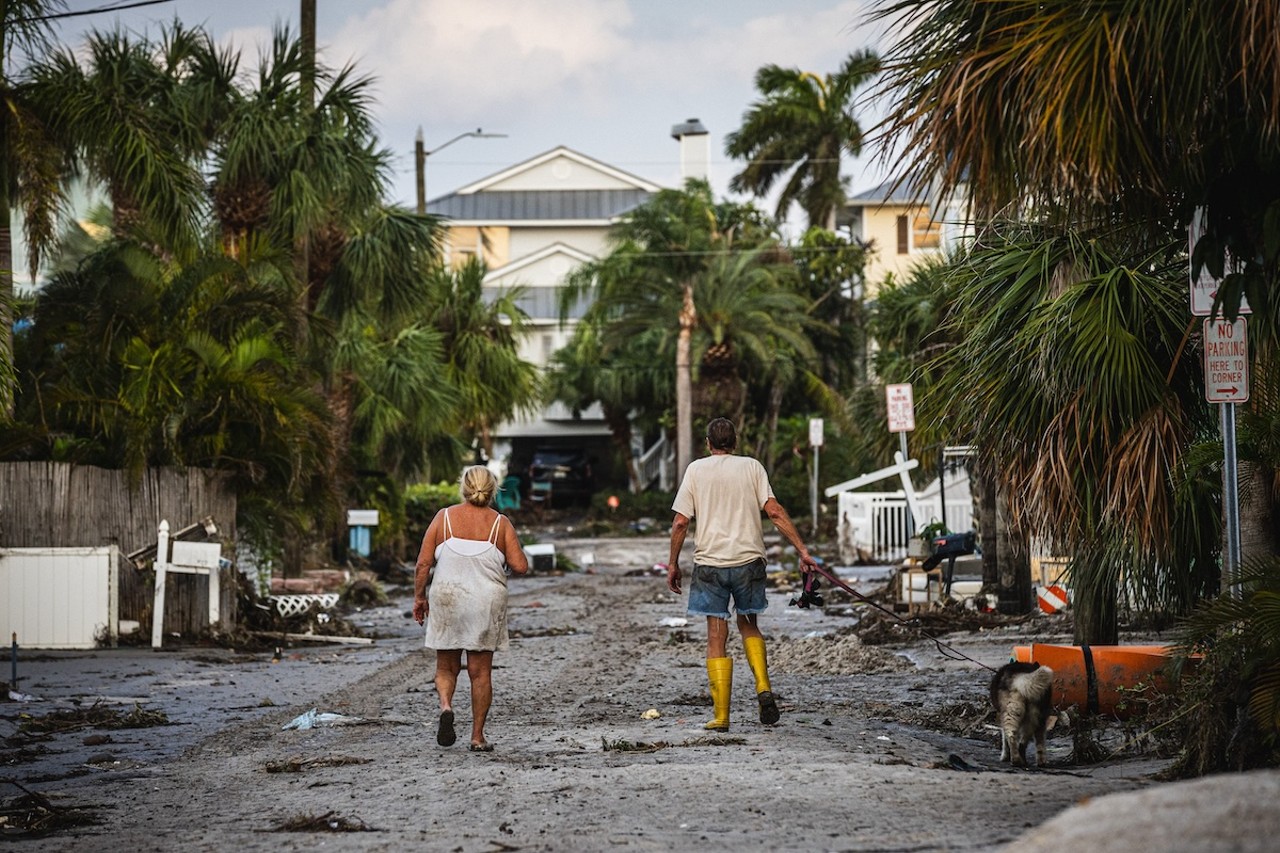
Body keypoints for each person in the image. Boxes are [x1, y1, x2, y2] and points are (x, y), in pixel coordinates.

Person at [664, 417, 820, 731]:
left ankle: (721, 717)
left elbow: (681, 522)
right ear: (735, 442)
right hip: (749, 561)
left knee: (715, 636)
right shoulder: (752, 467)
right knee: (748, 624)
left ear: (708, 443)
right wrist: (802, 551)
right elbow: (774, 511)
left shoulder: (696, 470)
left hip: (711, 564)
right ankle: (763, 687)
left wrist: (672, 563)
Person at [414, 465, 529, 751]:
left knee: (446, 666)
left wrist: (419, 598)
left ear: (463, 488)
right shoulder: (500, 523)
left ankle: (445, 706)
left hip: (448, 596)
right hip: (485, 601)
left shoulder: (443, 518)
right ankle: (477, 737)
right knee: (480, 672)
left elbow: (423, 564)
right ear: (493, 490)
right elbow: (520, 566)